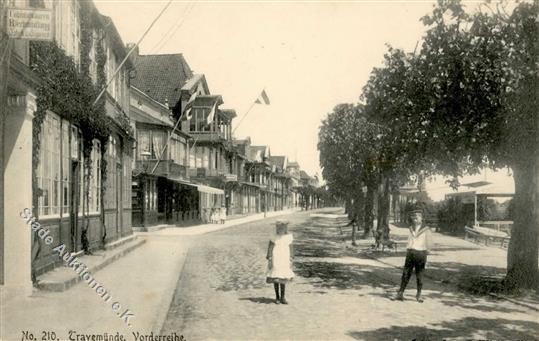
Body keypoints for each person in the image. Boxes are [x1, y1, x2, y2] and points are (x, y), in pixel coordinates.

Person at [395, 203, 432, 303]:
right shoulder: (411, 228)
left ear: (421, 218)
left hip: (421, 253)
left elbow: (429, 244)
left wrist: (426, 255)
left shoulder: (426, 230)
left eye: (417, 217)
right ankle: (400, 293)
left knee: (419, 275)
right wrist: (408, 250)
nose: (415, 219)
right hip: (411, 252)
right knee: (406, 273)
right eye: (414, 217)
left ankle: (418, 295)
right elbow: (409, 240)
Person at [266, 220, 295, 304]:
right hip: (276, 258)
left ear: (285, 228)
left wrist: (291, 257)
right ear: (276, 228)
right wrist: (270, 258)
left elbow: (291, 248)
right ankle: (277, 297)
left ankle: (283, 297)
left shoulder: (289, 237)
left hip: (284, 258)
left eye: (282, 227)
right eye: (278, 227)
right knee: (276, 277)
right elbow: (270, 247)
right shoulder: (274, 236)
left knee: (283, 277)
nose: (280, 229)